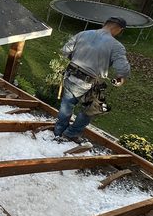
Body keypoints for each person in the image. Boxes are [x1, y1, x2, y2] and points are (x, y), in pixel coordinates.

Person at [53, 16, 131, 144]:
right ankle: (70, 134)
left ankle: (58, 131)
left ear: (104, 23)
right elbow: (122, 67)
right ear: (119, 29)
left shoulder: (83, 34)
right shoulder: (116, 46)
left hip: (71, 76)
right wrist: (121, 78)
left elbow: (65, 51)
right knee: (93, 109)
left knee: (66, 105)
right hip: (88, 83)